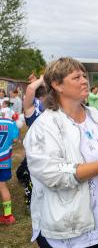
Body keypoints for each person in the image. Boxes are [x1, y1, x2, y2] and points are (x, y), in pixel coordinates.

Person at [23, 57, 98, 247]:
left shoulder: (94, 115)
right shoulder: (45, 126)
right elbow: (54, 172)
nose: (85, 80)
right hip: (71, 233)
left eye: (84, 76)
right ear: (57, 85)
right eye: (76, 77)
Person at [15, 74, 47, 210]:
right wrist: (41, 79)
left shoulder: (51, 109)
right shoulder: (31, 111)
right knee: (31, 177)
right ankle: (31, 203)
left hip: (49, 150)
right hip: (35, 152)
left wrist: (41, 82)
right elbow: (30, 90)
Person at [0, 116, 19, 224]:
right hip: (4, 161)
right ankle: (8, 216)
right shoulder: (10, 122)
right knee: (2, 186)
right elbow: (15, 139)